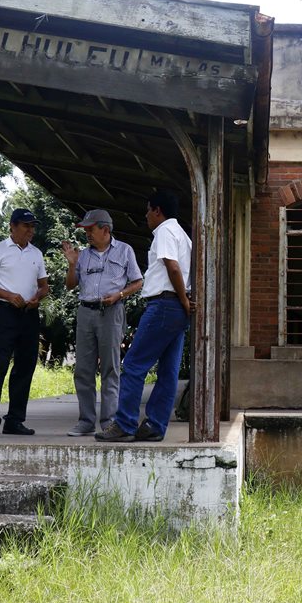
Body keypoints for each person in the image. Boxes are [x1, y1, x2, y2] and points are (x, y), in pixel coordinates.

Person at [97, 190, 192, 443]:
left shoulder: (164, 232)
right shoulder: (183, 234)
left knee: (133, 366)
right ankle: (155, 425)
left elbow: (172, 266)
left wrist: (182, 299)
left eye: (148, 210)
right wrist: (184, 302)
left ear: (158, 210)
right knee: (169, 371)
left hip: (164, 304)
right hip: (177, 309)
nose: (146, 215)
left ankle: (125, 424)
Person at [61, 209, 143, 437]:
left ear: (105, 229)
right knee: (83, 370)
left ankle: (109, 422)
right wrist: (71, 265)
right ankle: (85, 421)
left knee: (110, 368)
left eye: (90, 229)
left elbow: (138, 282)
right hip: (86, 312)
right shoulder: (83, 255)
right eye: (85, 229)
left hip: (112, 312)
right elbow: (70, 285)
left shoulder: (125, 250)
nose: (87, 233)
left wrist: (120, 295)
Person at [0, 208, 49, 438]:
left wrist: (38, 297)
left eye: (32, 226)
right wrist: (8, 295)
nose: (30, 230)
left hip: (29, 314)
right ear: (13, 226)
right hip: (5, 313)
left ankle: (14, 420)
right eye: (26, 225)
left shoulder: (37, 253)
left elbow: (44, 286)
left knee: (25, 367)